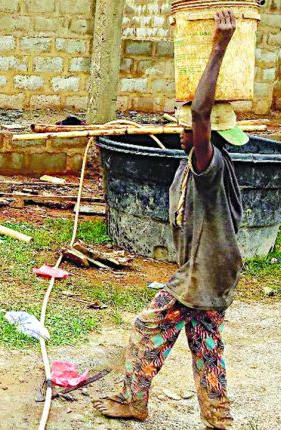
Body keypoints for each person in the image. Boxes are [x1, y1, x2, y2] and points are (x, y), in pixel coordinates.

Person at [93, 11, 247, 429]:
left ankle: (132, 400)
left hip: (204, 273)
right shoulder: (197, 163)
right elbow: (196, 115)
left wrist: (218, 46)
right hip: (215, 270)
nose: (182, 129)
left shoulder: (208, 162)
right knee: (205, 339)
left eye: (189, 126)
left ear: (207, 133)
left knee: (148, 326)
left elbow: (201, 114)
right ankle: (218, 415)